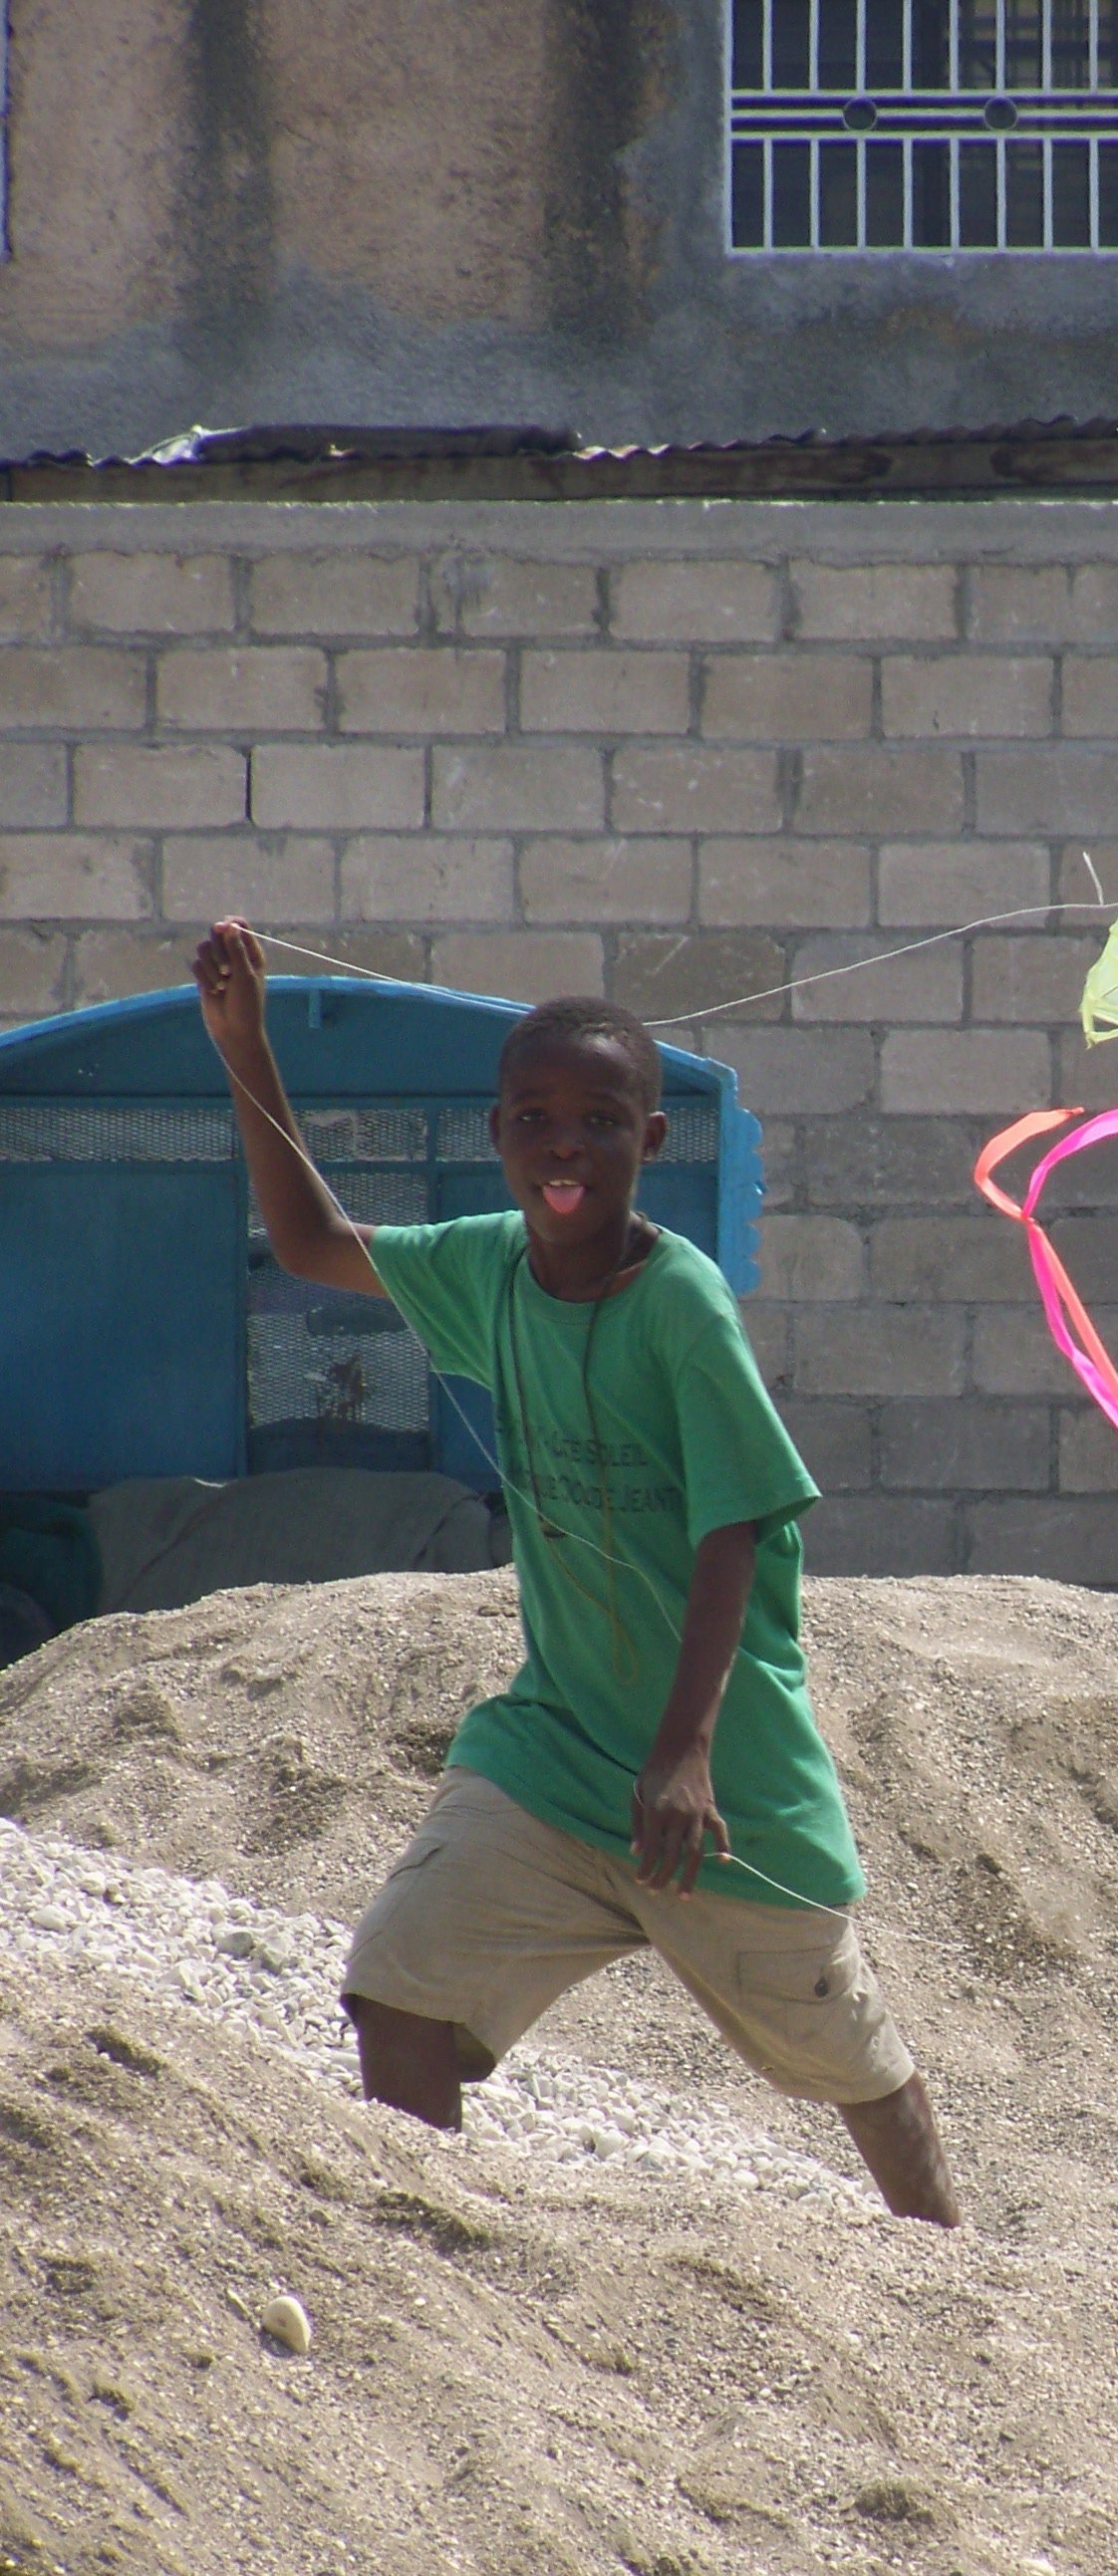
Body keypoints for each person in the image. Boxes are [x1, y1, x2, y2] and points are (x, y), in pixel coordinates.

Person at [191, 919, 959, 2227]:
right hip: (554, 1755)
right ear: (499, 1133)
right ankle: (427, 2262)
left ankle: (958, 2269)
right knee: (399, 1983)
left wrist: (686, 1754)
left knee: (853, 2063)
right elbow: (314, 1239)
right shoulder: (484, 1264)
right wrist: (244, 1044)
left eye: (600, 1120)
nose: (564, 1144)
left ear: (647, 1145)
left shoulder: (681, 1305)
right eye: (536, 1117)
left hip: (724, 1790)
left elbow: (739, 1535)